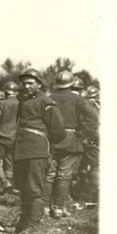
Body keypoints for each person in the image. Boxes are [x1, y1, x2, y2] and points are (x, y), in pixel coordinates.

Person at [12, 68, 65, 234]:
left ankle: (32, 227)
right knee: (23, 187)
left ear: (39, 85)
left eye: (30, 83)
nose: (26, 86)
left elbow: (57, 131)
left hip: (37, 150)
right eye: (24, 83)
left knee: (35, 189)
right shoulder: (24, 102)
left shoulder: (47, 103)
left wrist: (46, 146)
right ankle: (22, 224)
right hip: (21, 150)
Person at [45, 71, 98, 218]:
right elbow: (93, 118)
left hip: (52, 140)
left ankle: (43, 206)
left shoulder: (48, 98)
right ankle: (58, 208)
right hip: (72, 140)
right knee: (64, 175)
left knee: (49, 174)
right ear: (71, 83)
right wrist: (83, 134)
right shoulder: (78, 99)